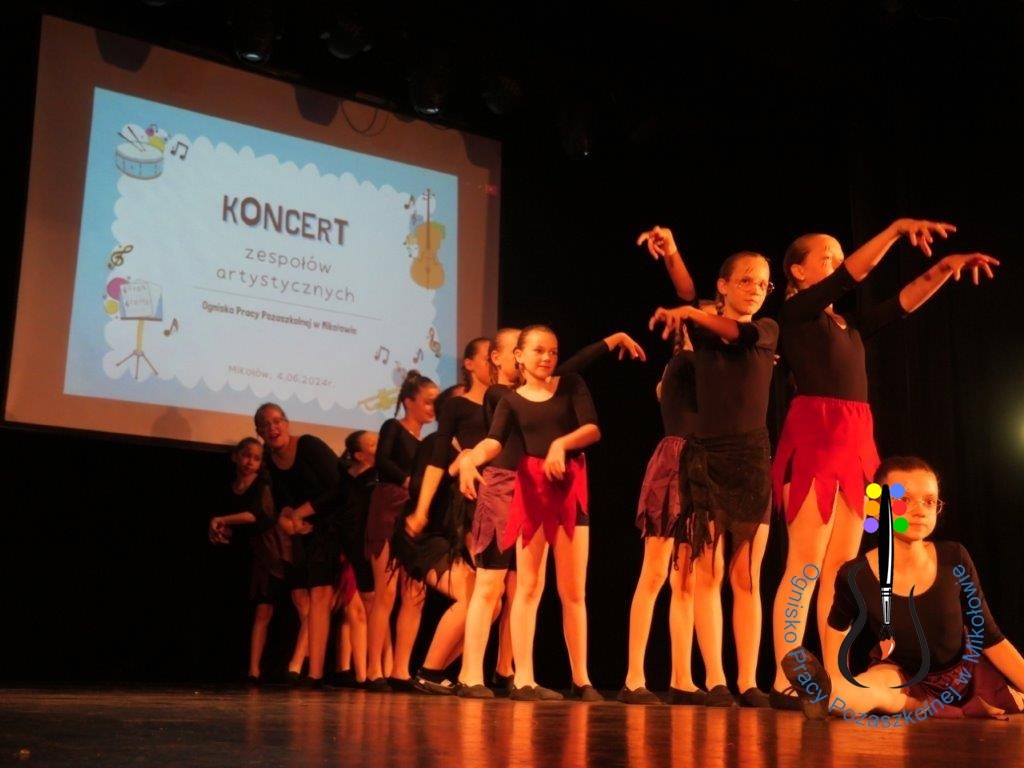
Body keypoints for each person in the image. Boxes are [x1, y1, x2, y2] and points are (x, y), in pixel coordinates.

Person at [768, 219, 999, 708]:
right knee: (804, 565)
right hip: (815, 439)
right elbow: (851, 275)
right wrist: (894, 231)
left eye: (839, 255)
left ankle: (833, 678)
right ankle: (786, 673)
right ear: (798, 272)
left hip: (856, 443)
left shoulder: (849, 326)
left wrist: (944, 268)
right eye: (827, 257)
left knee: (840, 571)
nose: (837, 262)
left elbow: (904, 302)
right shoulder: (795, 313)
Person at [454, 328, 645, 698]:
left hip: (569, 488)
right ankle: (523, 677)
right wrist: (469, 459)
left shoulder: (570, 385)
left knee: (573, 591)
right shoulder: (508, 400)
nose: (547, 358)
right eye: (538, 351)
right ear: (519, 356)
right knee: (527, 587)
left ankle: (581, 679)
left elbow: (592, 429)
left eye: (553, 352)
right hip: (531, 490)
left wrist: (561, 444)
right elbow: (493, 441)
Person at [783, 456, 1024, 720]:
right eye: (904, 499)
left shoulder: (954, 558)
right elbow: (838, 629)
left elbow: (990, 637)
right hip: (902, 677)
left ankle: (915, 706)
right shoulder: (856, 574)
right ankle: (882, 701)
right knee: (855, 690)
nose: (920, 510)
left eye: (929, 501)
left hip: (965, 677)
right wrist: (837, 680)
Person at [650, 248, 778, 707]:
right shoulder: (701, 335)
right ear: (722, 286)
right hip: (706, 459)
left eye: (763, 283)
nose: (756, 290)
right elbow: (687, 296)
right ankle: (717, 678)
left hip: (751, 459)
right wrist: (672, 253)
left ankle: (749, 680)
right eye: (746, 280)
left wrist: (691, 312)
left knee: (746, 576)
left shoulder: (766, 330)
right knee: (708, 572)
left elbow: (733, 331)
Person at [253, 403, 344, 688]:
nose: (273, 428)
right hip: (311, 531)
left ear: (287, 423)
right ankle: (314, 673)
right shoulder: (270, 461)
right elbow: (284, 503)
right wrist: (286, 520)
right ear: (259, 432)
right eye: (266, 425)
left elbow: (339, 487)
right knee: (317, 596)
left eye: (277, 421)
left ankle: (337, 672)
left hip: (340, 523)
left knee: (332, 597)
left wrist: (300, 512)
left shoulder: (308, 446)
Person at [363, 370, 439, 690]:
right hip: (388, 509)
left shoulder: (430, 443)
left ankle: (400, 670)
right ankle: (373, 670)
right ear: (409, 401)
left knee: (415, 594)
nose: (433, 408)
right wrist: (410, 481)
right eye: (429, 402)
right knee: (387, 593)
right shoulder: (393, 427)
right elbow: (382, 461)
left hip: (412, 514)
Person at [208, 437, 297, 684]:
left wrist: (221, 520)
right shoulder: (230, 487)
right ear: (235, 456)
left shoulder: (262, 484)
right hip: (251, 551)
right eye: (246, 455)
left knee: (277, 604)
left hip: (272, 548)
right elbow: (232, 523)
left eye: (256, 458)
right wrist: (222, 530)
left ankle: (275, 667)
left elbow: (255, 515)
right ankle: (249, 669)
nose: (250, 462)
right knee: (256, 608)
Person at [330, 429, 379, 687]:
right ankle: (360, 673)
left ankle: (377, 670)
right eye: (372, 444)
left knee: (374, 610)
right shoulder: (345, 481)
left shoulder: (380, 477)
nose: (379, 447)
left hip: (373, 549)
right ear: (359, 455)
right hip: (351, 550)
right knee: (356, 612)